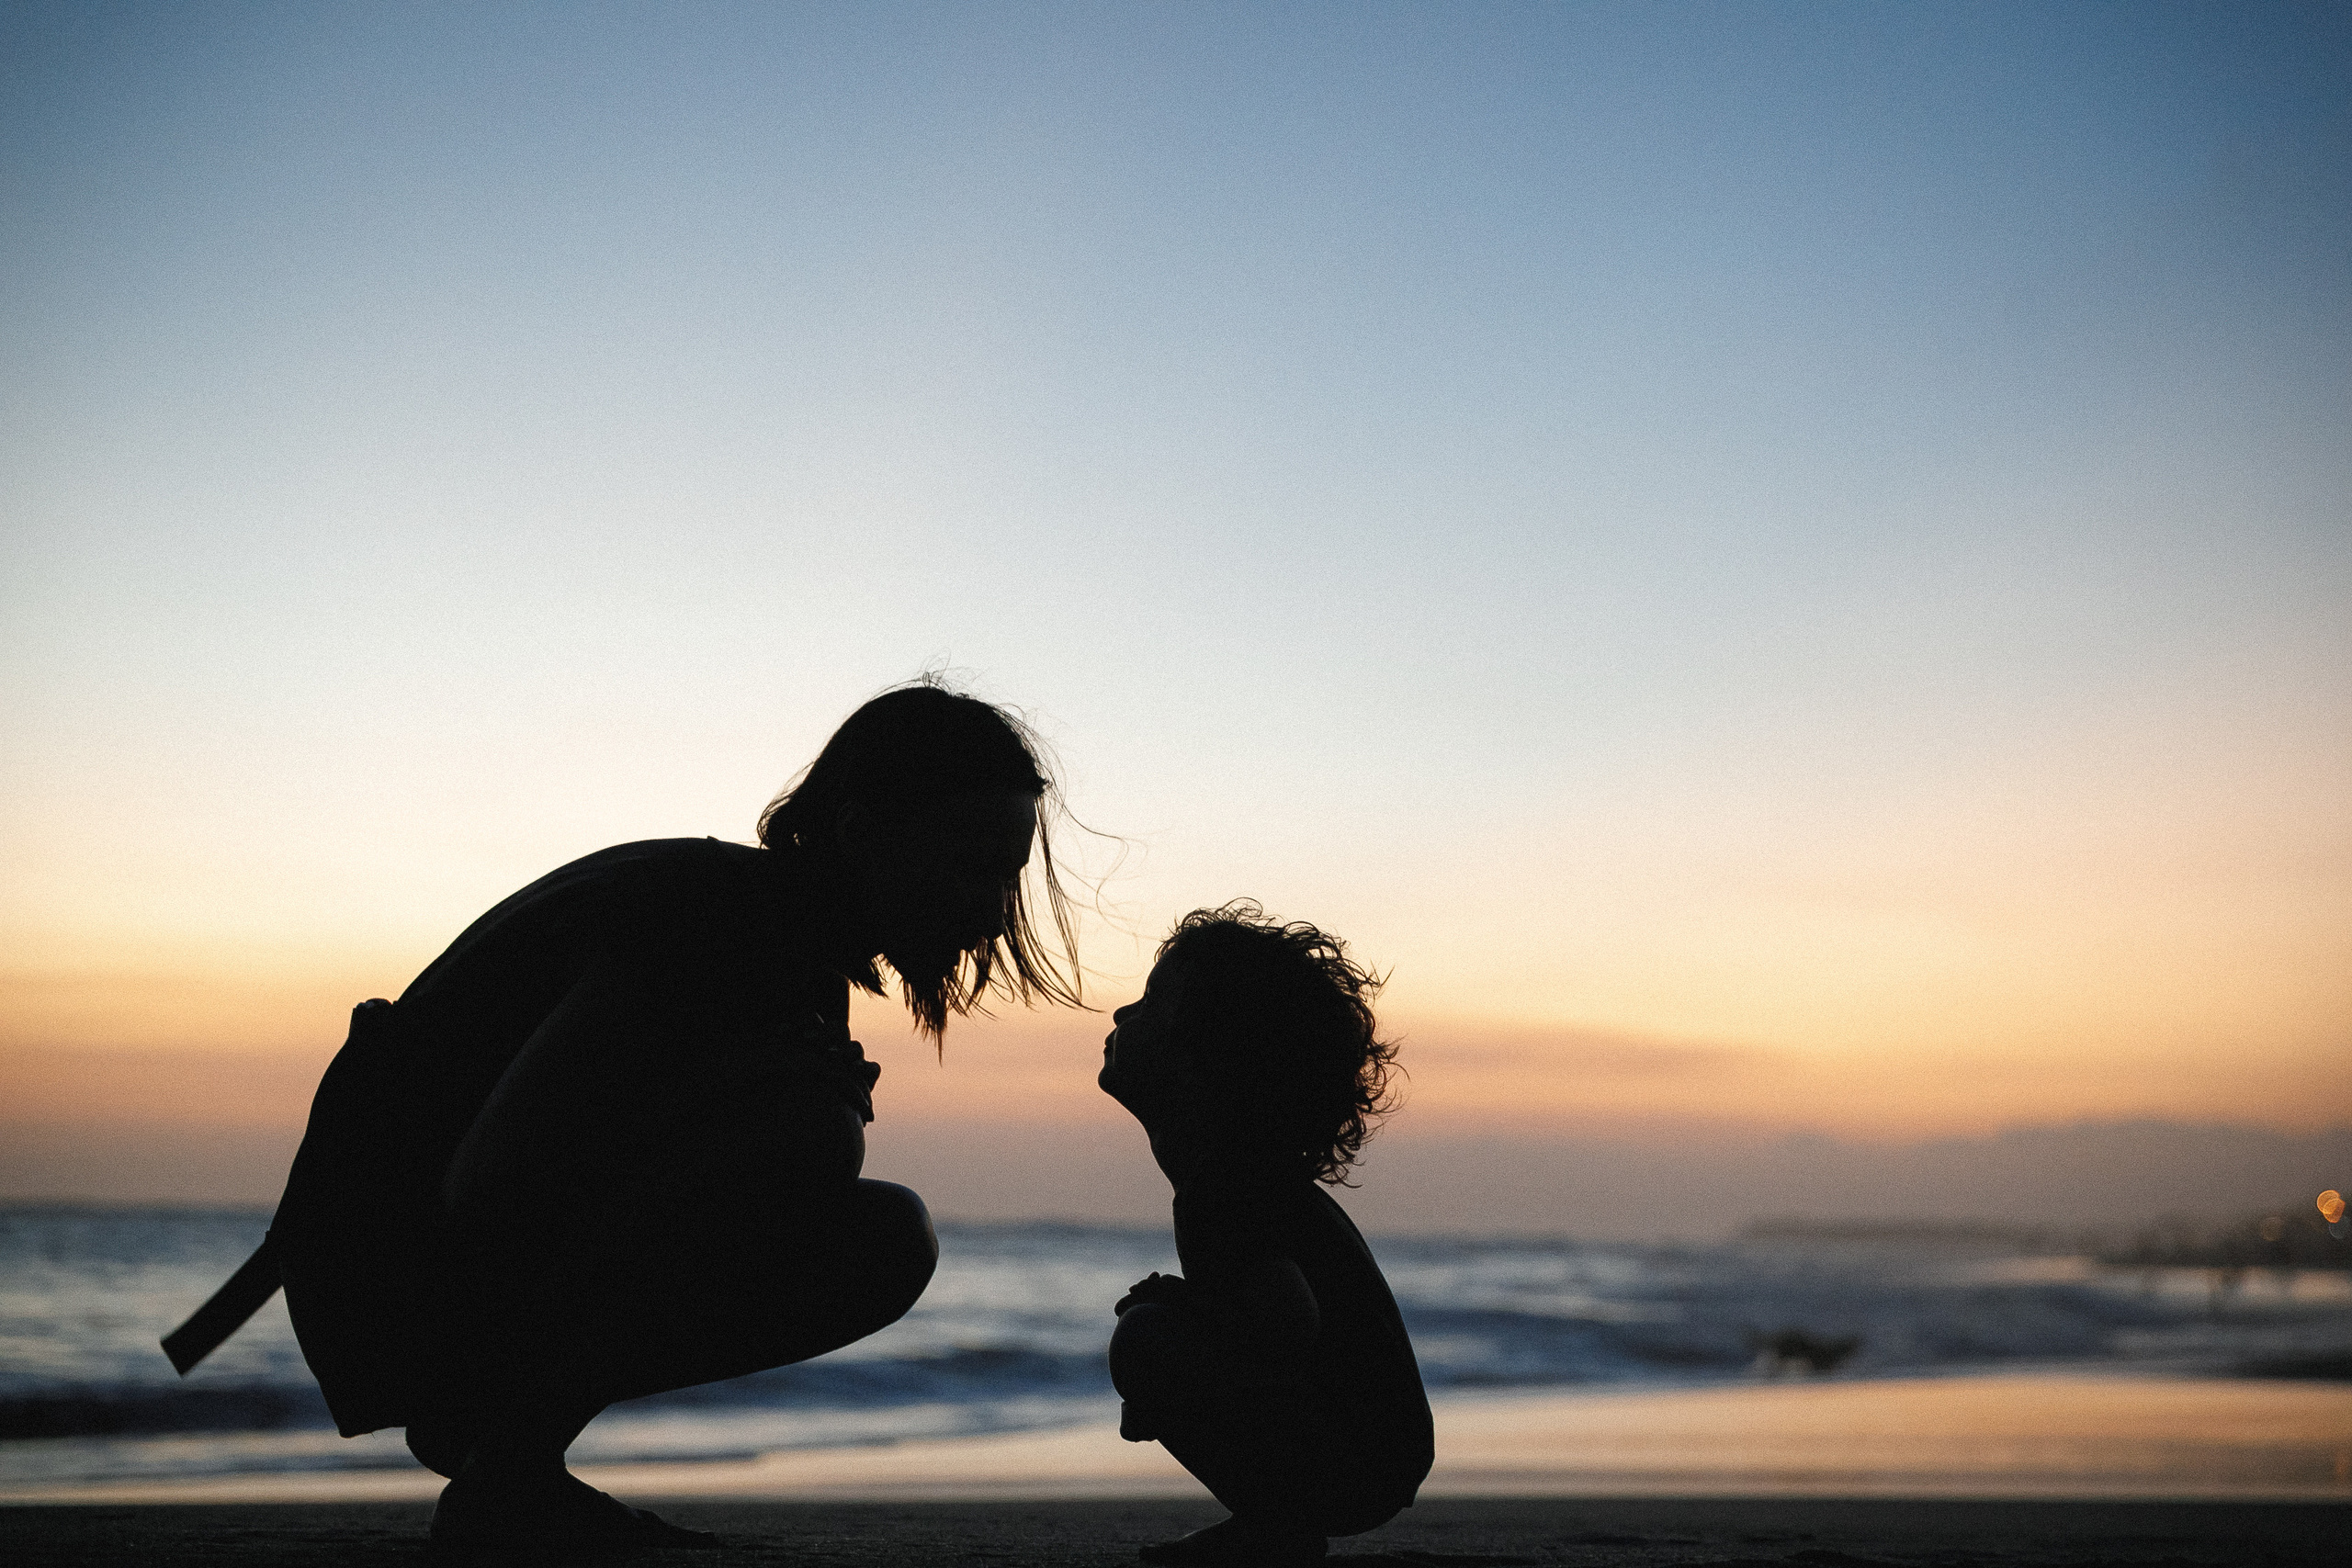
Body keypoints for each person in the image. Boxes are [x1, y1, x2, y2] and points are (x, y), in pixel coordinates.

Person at [167, 681, 1084, 1551]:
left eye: (1003, 881)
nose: (995, 917)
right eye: (971, 871)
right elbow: (493, 1176)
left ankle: (500, 1446)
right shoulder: (717, 919)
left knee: (827, 1154)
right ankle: (507, 1464)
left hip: (404, 1270)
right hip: (390, 1273)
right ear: (862, 833)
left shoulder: (774, 934)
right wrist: (780, 1112)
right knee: (868, 1217)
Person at [1100, 904, 1431, 1567]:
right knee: (1157, 1327)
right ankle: (1274, 1519)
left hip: (1355, 1455)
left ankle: (1276, 1526)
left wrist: (1178, 1331)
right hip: (1375, 1450)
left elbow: (1286, 1319)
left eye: (1151, 1006)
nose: (1119, 1016)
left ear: (1201, 1064)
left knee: (1145, 1337)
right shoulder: (1245, 1180)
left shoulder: (1224, 1188)